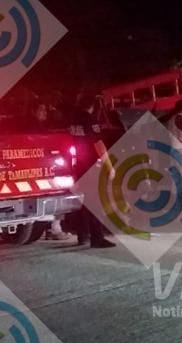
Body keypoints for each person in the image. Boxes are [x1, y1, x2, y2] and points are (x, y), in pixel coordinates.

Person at [70, 95, 116, 248]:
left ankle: (83, 235)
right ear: (93, 106)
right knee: (95, 201)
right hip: (91, 165)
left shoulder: (74, 119)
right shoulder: (90, 120)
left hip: (78, 165)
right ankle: (97, 238)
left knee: (83, 201)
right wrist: (110, 166)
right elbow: (99, 144)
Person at [26, 101, 71, 241]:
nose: (44, 113)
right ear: (33, 111)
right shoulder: (33, 127)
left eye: (45, 110)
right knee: (58, 193)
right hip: (42, 168)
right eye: (41, 109)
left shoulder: (40, 126)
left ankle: (51, 228)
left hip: (42, 168)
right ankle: (55, 229)